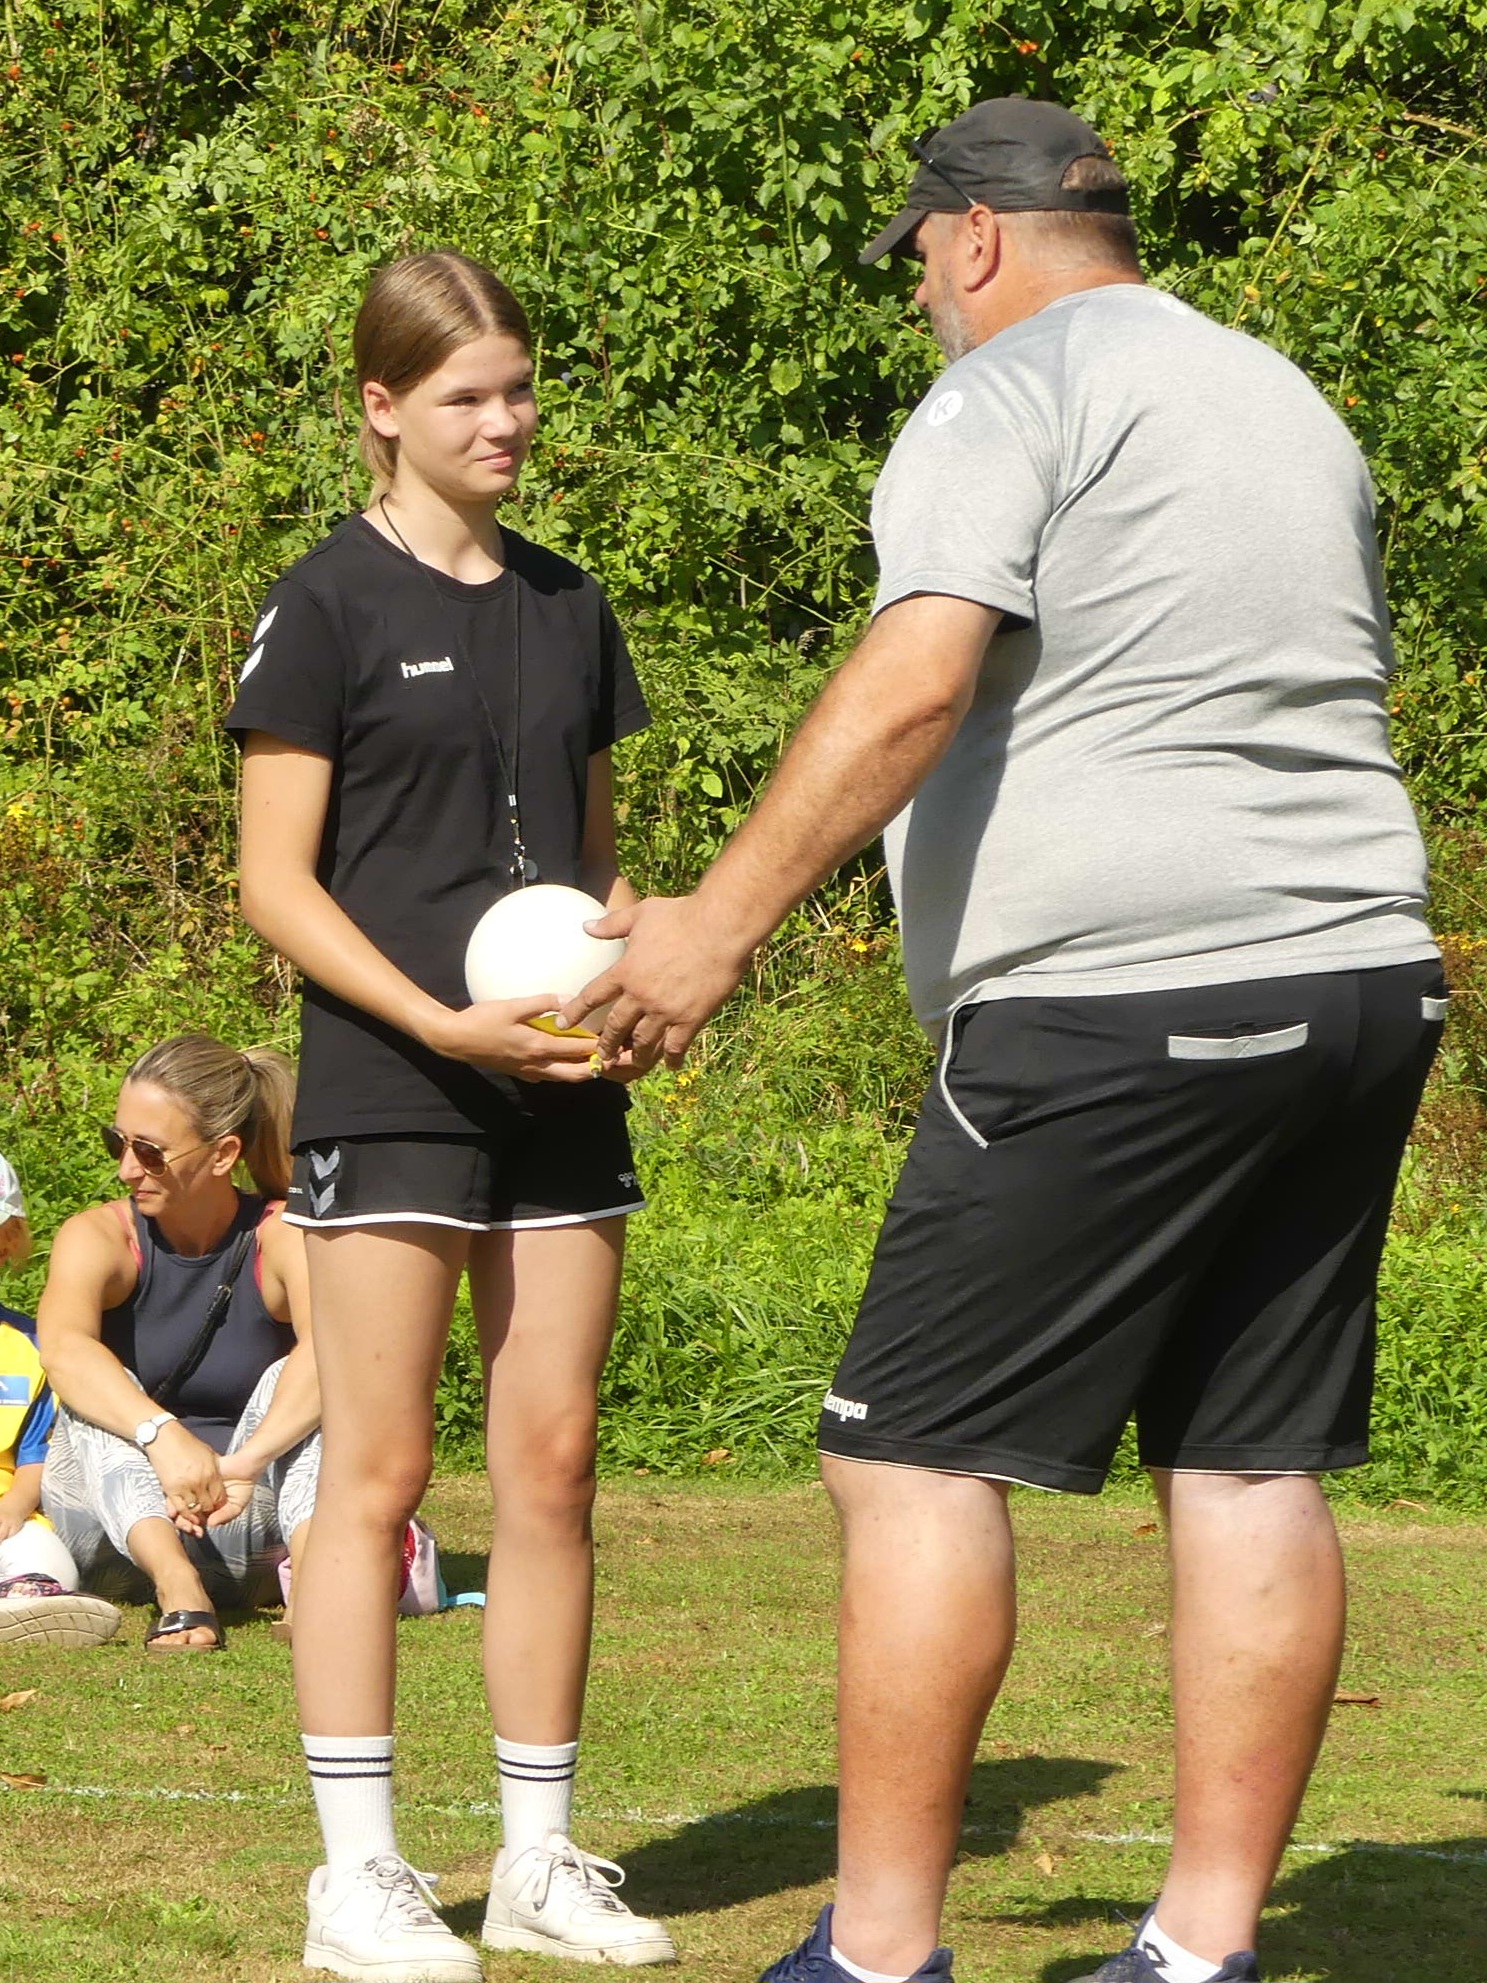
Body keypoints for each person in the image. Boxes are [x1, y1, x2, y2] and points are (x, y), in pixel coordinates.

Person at [561, 97, 1447, 1983]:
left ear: (971, 238)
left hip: (1118, 1000)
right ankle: (1198, 1950)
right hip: (1364, 979)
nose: (924, 307)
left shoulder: (1006, 389)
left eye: (920, 271)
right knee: (1244, 1460)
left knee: (908, 1461)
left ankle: (877, 1954)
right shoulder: (1279, 397)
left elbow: (913, 679)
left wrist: (713, 924)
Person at [227, 249, 675, 1981]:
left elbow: (594, 864)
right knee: (381, 1469)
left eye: (520, 387)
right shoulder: (321, 603)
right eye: (468, 394)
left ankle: (539, 1857)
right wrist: (433, 1020)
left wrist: (628, 978)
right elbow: (274, 882)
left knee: (551, 1460)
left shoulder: (569, 604)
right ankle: (357, 1878)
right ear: (382, 406)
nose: (506, 421)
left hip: (554, 1087)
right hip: (393, 1076)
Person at [38, 1034, 321, 1652]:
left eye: (150, 1152)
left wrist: (246, 1463)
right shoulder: (98, 1236)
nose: (126, 1168)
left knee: (321, 1359)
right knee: (96, 1383)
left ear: (223, 1154)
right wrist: (161, 1437)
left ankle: (315, 1587)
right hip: (119, 1540)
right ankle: (179, 1588)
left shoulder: (282, 1234)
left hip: (251, 1519)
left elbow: (333, 1356)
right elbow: (61, 1348)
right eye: (119, 1143)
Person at [0, 1153, 122, 1647]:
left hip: (5, 1508)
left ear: (7, 1244)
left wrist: (12, 1511)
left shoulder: (31, 1347)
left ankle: (24, 1603)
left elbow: (35, 1455)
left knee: (50, 1564)